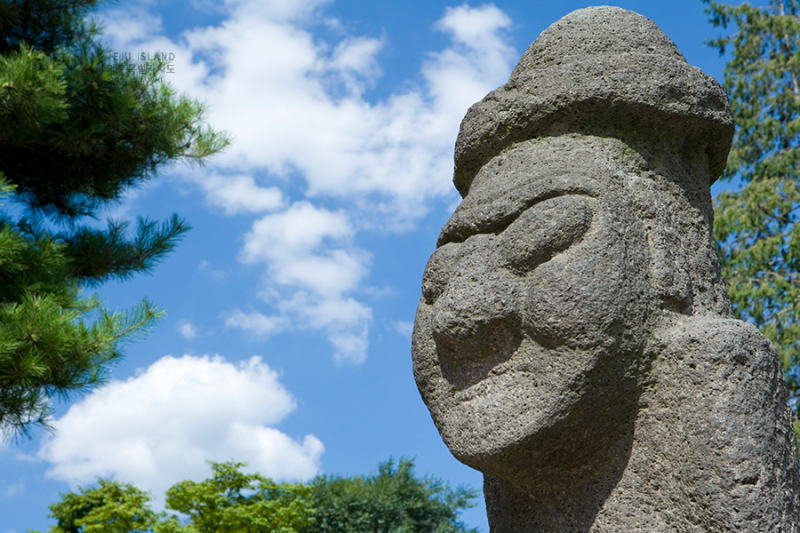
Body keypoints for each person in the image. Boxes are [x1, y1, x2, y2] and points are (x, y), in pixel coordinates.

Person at [412, 7, 800, 532]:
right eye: (441, 277)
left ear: (665, 253)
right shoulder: (516, 442)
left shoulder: (703, 374)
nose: (461, 314)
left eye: (543, 242)